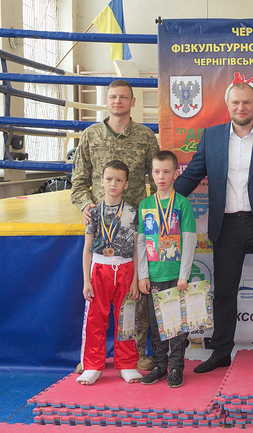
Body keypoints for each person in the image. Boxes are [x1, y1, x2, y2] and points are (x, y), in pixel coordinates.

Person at [175, 82, 253, 372]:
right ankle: (221, 351)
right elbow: (192, 175)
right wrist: (162, 201)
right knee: (225, 292)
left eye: (247, 102)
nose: (241, 107)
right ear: (227, 105)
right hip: (226, 224)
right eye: (236, 102)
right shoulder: (211, 137)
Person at [71, 79, 160, 372]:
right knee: (96, 298)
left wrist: (155, 213)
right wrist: (87, 206)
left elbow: (155, 178)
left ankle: (135, 353)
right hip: (99, 227)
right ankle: (91, 357)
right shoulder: (90, 135)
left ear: (132, 102)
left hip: (134, 224)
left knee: (135, 293)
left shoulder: (145, 136)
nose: (117, 101)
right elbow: (78, 181)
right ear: (106, 101)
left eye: (123, 97)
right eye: (112, 97)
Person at [77, 160, 142, 386]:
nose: (113, 184)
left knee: (127, 318)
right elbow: (87, 249)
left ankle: (127, 364)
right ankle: (93, 366)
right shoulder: (93, 213)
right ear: (101, 182)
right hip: (99, 269)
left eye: (119, 180)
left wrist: (135, 279)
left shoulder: (132, 212)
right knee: (95, 319)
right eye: (109, 179)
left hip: (125, 269)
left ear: (126, 184)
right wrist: (86, 280)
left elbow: (136, 250)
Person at [137, 151, 197, 388]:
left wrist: (184, 275)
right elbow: (141, 243)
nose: (161, 177)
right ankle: (160, 366)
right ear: (151, 174)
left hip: (176, 276)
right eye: (157, 172)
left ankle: (176, 368)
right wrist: (143, 274)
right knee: (156, 325)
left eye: (166, 172)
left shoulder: (182, 204)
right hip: (154, 276)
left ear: (175, 174)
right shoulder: (145, 205)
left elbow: (189, 240)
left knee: (177, 325)